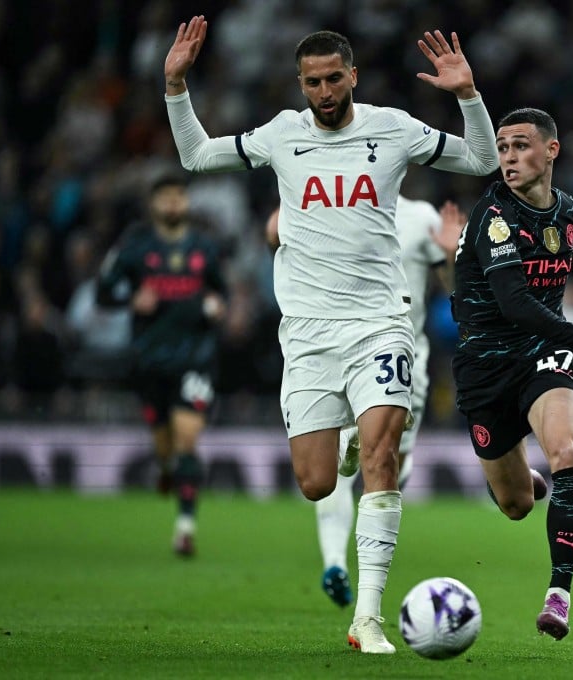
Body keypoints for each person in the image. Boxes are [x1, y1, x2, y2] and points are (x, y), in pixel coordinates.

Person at [163, 17, 498, 653]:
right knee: (316, 482)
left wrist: (467, 96)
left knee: (382, 458)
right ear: (301, 83)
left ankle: (367, 617)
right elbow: (195, 157)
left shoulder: (393, 128)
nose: (323, 91)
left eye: (333, 79)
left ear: (353, 76)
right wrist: (177, 87)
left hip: (380, 323)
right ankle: (343, 436)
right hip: (309, 332)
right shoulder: (281, 135)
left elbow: (481, 158)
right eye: (311, 82)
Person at [450, 108, 573, 641]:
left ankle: (559, 594)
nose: (508, 158)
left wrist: (570, 347)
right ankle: (520, 482)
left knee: (567, 455)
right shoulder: (493, 217)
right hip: (484, 369)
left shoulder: (568, 212)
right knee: (515, 506)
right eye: (502, 149)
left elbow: (539, 312)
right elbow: (514, 303)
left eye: (520, 147)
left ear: (551, 151)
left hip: (543, 358)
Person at [269, 196, 468, 609]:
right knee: (340, 471)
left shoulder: (420, 217)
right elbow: (274, 233)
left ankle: (353, 562)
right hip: (335, 351)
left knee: (393, 465)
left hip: (402, 356)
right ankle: (336, 564)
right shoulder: (326, 197)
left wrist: (451, 253)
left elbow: (458, 293)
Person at [96, 175, 228, 558]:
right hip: (150, 361)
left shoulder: (205, 248)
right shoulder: (135, 249)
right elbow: (104, 292)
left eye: (179, 196)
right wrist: (130, 299)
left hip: (195, 358)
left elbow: (222, 291)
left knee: (187, 440)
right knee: (166, 451)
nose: (173, 203)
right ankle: (168, 469)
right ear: (153, 204)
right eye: (166, 197)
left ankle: (185, 527)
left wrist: (218, 305)